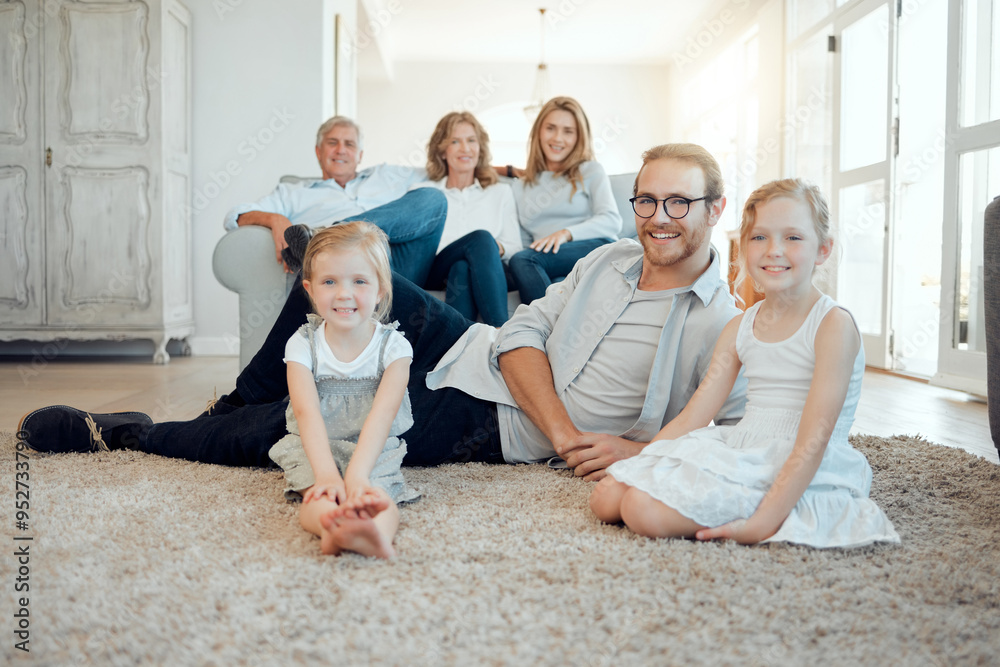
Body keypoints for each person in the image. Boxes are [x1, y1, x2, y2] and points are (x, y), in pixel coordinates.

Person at [18, 143, 746, 482]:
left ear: (716, 209)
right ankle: (242, 391)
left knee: (311, 421)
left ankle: (127, 436)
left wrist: (638, 450)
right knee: (351, 283)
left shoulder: (724, 324)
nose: (657, 217)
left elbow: (744, 439)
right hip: (484, 355)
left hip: (491, 420)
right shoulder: (607, 259)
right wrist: (564, 428)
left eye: (678, 201)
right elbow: (524, 331)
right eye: (646, 199)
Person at [589, 179, 901, 548]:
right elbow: (693, 415)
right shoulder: (741, 326)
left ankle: (756, 508)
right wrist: (639, 466)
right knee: (607, 500)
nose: (774, 251)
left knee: (643, 511)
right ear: (743, 248)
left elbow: (812, 442)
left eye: (793, 238)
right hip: (743, 445)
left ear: (823, 250)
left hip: (803, 459)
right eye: (760, 238)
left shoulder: (833, 325)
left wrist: (760, 525)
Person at [271, 221, 419, 559]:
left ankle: (374, 533)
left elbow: (382, 418)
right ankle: (330, 527)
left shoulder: (395, 349)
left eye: (359, 281)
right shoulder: (302, 345)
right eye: (329, 282)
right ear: (309, 288)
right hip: (314, 446)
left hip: (372, 448)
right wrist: (327, 476)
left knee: (378, 496)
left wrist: (357, 477)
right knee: (318, 497)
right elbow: (306, 413)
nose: (343, 293)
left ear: (380, 289)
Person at [225, 115, 446, 287]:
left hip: (397, 264)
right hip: (345, 269)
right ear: (318, 152)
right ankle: (335, 238)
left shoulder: (385, 175)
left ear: (360, 155)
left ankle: (325, 234)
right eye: (333, 142)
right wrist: (274, 218)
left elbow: (441, 173)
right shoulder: (292, 192)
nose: (341, 150)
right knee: (363, 246)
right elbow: (236, 216)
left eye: (349, 144)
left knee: (433, 198)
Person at [507, 96, 622, 304]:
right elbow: (525, 241)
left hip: (592, 247)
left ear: (579, 137)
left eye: (568, 131)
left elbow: (611, 220)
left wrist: (565, 234)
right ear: (538, 132)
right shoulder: (520, 186)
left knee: (524, 260)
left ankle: (544, 328)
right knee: (514, 264)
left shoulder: (590, 170)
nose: (558, 138)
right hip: (546, 260)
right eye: (551, 128)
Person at [414, 112, 522, 325]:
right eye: (455, 141)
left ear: (480, 148)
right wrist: (483, 244)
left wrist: (490, 248)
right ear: (443, 151)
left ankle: (459, 348)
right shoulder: (424, 192)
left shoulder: (500, 192)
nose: (465, 148)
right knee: (481, 238)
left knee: (463, 267)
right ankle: (502, 333)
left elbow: (515, 248)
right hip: (436, 268)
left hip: (486, 268)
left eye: (471, 140)